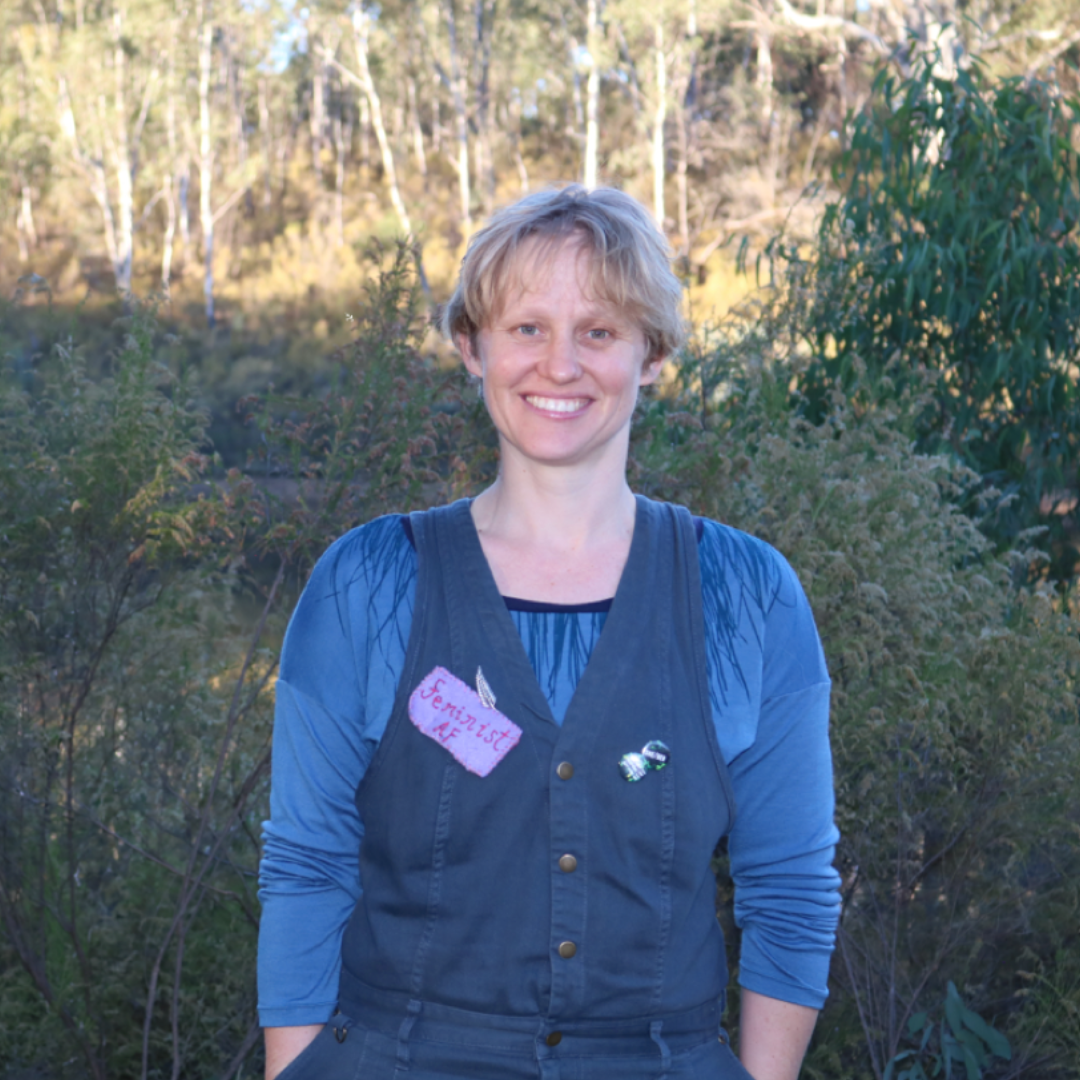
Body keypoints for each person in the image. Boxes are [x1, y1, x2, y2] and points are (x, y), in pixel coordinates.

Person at [258, 184, 840, 1080]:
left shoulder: (746, 597)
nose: (559, 365)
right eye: (527, 327)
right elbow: (307, 866)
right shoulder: (368, 584)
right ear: (471, 347)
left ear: (652, 355)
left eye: (599, 331)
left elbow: (790, 888)